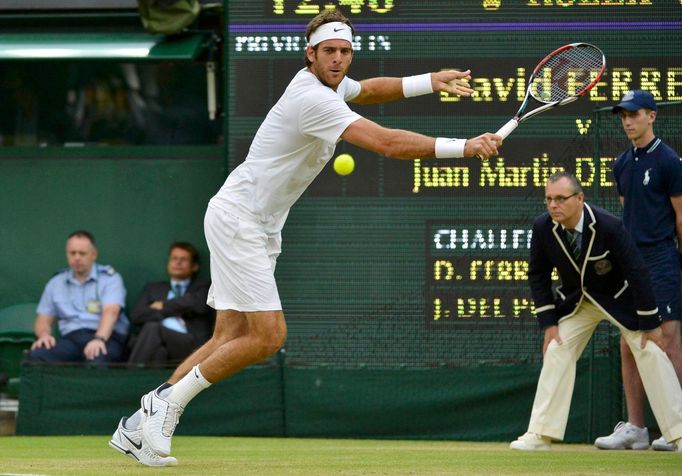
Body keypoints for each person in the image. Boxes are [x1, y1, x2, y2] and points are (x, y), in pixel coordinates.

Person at [109, 9, 502, 467]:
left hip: (252, 221)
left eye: (345, 51)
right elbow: (387, 143)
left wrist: (428, 80)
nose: (338, 59)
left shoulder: (333, 87)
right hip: (240, 219)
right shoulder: (312, 99)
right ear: (309, 54)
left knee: (230, 334)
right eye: (329, 51)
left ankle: (141, 424)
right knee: (269, 336)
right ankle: (166, 407)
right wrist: (463, 146)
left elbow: (372, 90)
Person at [509, 172, 682, 451]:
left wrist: (651, 324)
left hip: (619, 300)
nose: (554, 205)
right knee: (557, 350)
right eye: (549, 199)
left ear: (579, 198)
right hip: (578, 302)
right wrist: (549, 324)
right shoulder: (542, 227)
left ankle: (679, 432)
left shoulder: (609, 226)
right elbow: (537, 275)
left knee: (650, 350)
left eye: (560, 199)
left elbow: (637, 272)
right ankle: (540, 434)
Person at [594, 90, 682, 451]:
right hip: (633, 266)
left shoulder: (669, 161)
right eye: (623, 116)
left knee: (668, 341)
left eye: (634, 114)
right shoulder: (621, 164)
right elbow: (627, 215)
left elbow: (680, 216)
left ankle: (677, 428)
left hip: (663, 260)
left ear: (652, 116)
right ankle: (636, 428)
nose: (627, 121)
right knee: (630, 345)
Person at [28, 230, 129, 363]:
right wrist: (44, 335)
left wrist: (99, 339)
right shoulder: (56, 282)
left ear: (94, 254)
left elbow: (111, 312)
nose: (77, 258)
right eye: (72, 253)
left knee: (97, 359)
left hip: (105, 338)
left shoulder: (110, 278)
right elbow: (43, 319)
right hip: (71, 340)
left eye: (82, 253)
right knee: (37, 355)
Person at [127, 242, 214, 365]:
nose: (178, 262)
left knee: (153, 327)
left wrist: (162, 306)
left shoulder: (203, 287)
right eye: (174, 258)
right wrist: (179, 306)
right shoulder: (153, 288)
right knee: (159, 353)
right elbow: (137, 315)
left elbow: (199, 306)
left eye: (183, 259)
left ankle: (131, 374)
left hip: (190, 345)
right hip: (156, 342)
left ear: (194, 266)